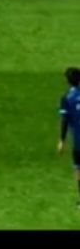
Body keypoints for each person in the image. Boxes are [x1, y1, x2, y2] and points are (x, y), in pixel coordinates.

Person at [57, 67, 80, 207]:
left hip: (79, 142)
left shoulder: (66, 98)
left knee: (78, 169)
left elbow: (65, 120)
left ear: (67, 81)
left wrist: (61, 140)